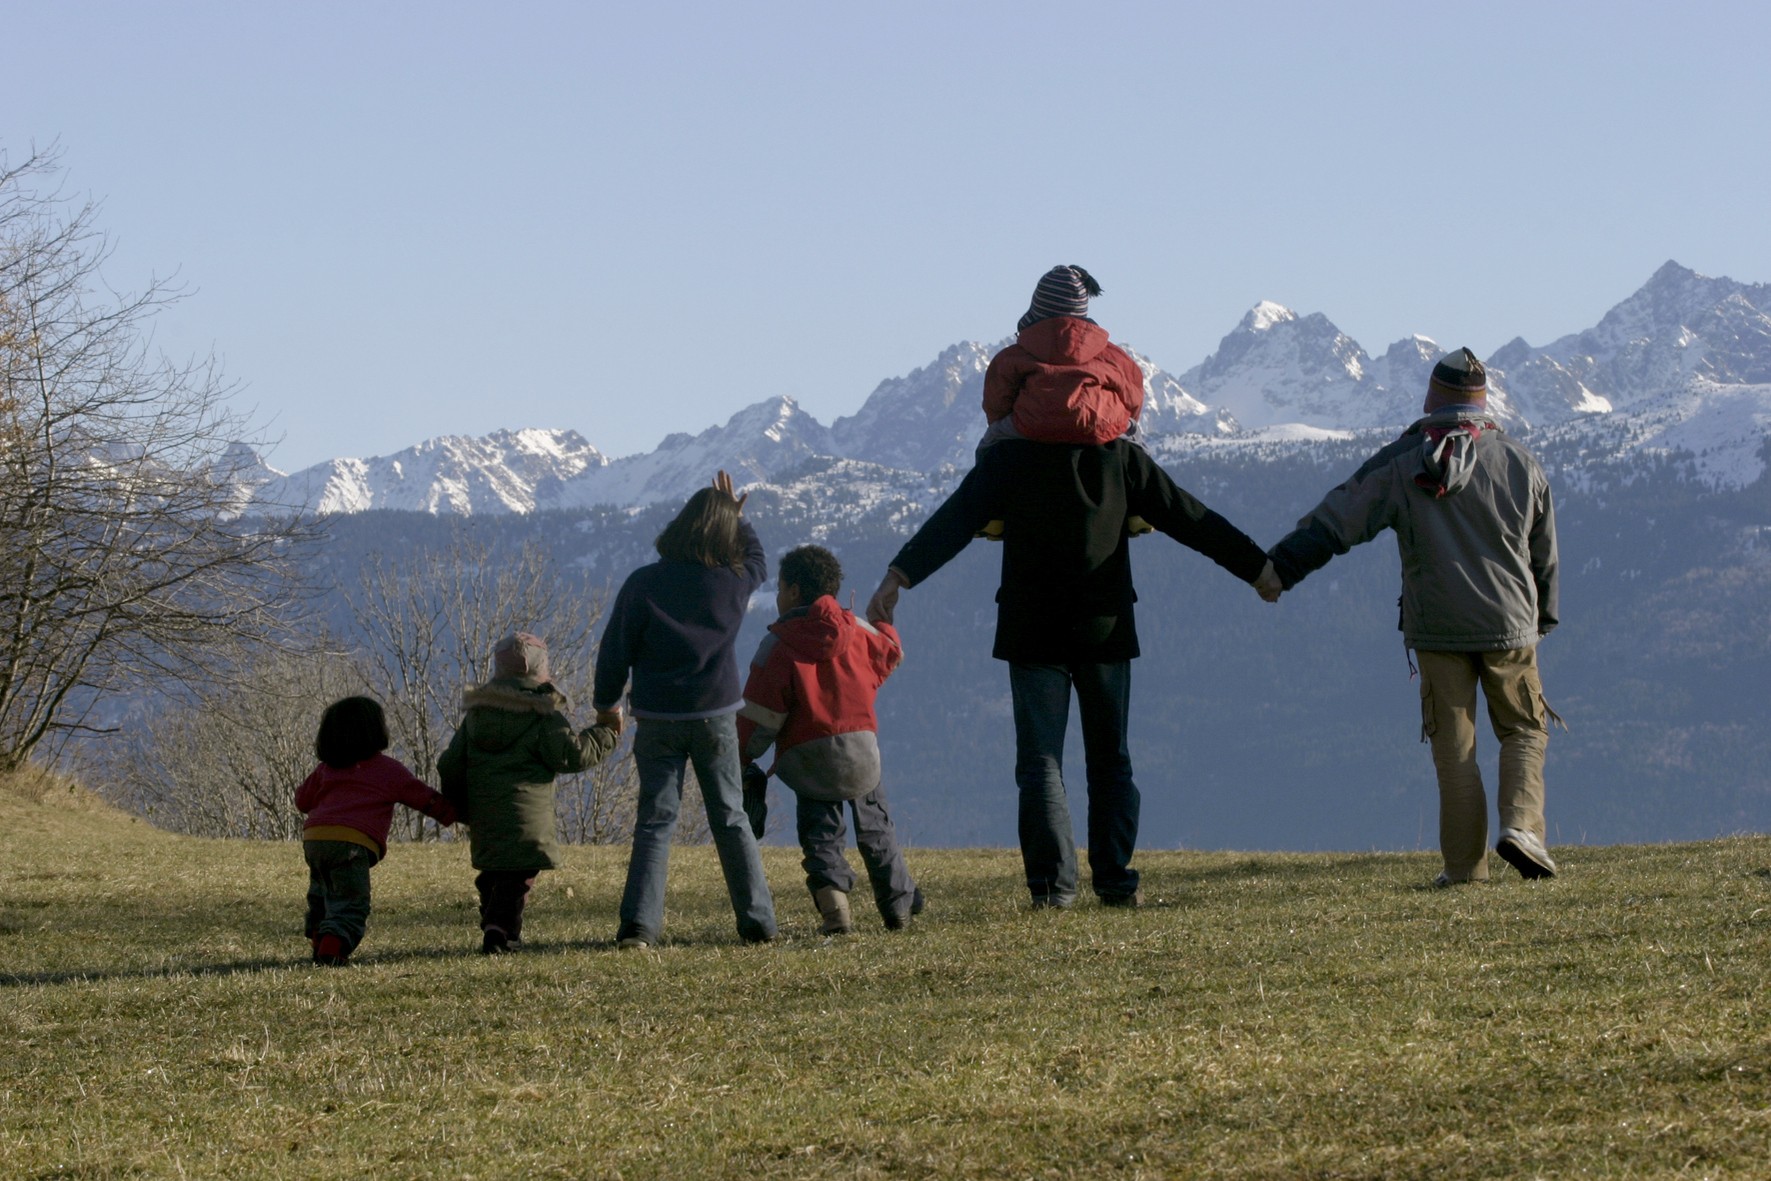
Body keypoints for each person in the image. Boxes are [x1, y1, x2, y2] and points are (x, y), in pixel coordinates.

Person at [867, 440, 1276, 909]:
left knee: (1041, 763)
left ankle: (1051, 890)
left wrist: (898, 575)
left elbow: (955, 519)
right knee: (1110, 759)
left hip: (1031, 627)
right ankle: (1115, 882)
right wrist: (1256, 566)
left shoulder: (1010, 455)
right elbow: (1187, 515)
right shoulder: (1119, 457)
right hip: (1105, 626)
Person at [1260, 348, 1562, 886]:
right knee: (1522, 729)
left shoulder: (1401, 463)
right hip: (1511, 622)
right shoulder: (1520, 461)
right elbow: (1544, 552)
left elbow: (1338, 518)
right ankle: (1523, 829)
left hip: (1437, 627)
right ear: (1482, 400)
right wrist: (1546, 614)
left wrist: (1279, 569)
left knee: (1455, 751)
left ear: (1432, 398)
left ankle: (1465, 870)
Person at [593, 471, 778, 948]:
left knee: (655, 822)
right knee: (732, 818)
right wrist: (739, 517)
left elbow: (615, 649)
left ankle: (639, 927)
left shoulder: (643, 584)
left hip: (656, 719)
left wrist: (605, 704)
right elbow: (759, 560)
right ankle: (758, 923)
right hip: (715, 716)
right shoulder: (731, 583)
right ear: (724, 535)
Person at [736, 544, 923, 935]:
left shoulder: (778, 646)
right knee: (877, 829)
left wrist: (740, 757)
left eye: (782, 588)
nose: (778, 597)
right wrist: (882, 622)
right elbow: (889, 653)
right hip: (861, 751)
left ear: (794, 592)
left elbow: (760, 716)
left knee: (821, 837)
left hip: (808, 757)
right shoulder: (857, 630)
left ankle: (836, 914)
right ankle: (899, 908)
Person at [437, 632, 619, 955]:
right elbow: (572, 754)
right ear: (541, 670)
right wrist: (606, 732)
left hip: (486, 818)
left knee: (495, 872)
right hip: (527, 821)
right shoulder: (543, 715)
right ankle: (500, 933)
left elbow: (450, 763)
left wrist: (459, 806)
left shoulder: (477, 716)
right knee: (517, 878)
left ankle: (498, 926)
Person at [295, 696, 457, 966]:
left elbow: (302, 801)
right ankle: (332, 950)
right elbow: (423, 798)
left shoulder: (325, 770)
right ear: (375, 731)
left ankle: (318, 940)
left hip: (315, 840)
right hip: (351, 843)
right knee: (350, 901)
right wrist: (456, 813)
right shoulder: (387, 770)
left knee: (322, 893)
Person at [979, 264, 1148, 452]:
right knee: (1137, 443)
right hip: (1103, 424)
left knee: (989, 444)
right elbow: (1134, 400)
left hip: (1029, 427)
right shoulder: (1115, 358)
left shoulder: (1011, 357)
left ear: (1036, 309)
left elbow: (996, 405)